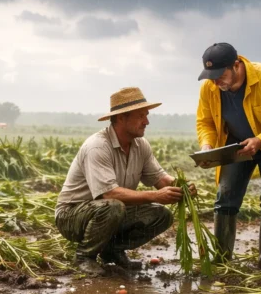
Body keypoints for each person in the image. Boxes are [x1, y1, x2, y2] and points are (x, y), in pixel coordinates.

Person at [55, 87, 196, 275]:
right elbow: (109, 193)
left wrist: (181, 187)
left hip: (109, 210)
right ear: (121, 118)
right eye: (141, 116)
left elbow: (160, 178)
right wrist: (155, 195)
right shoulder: (97, 147)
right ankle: (84, 256)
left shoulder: (140, 145)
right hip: (72, 215)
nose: (147, 121)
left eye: (146, 115)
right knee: (113, 206)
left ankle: (112, 251)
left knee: (161, 215)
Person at [195, 42, 261, 272]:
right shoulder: (210, 88)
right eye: (211, 77)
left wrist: (260, 140)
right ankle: (222, 257)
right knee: (226, 195)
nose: (215, 82)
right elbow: (206, 121)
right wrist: (207, 144)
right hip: (236, 145)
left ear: (236, 65)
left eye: (220, 75)